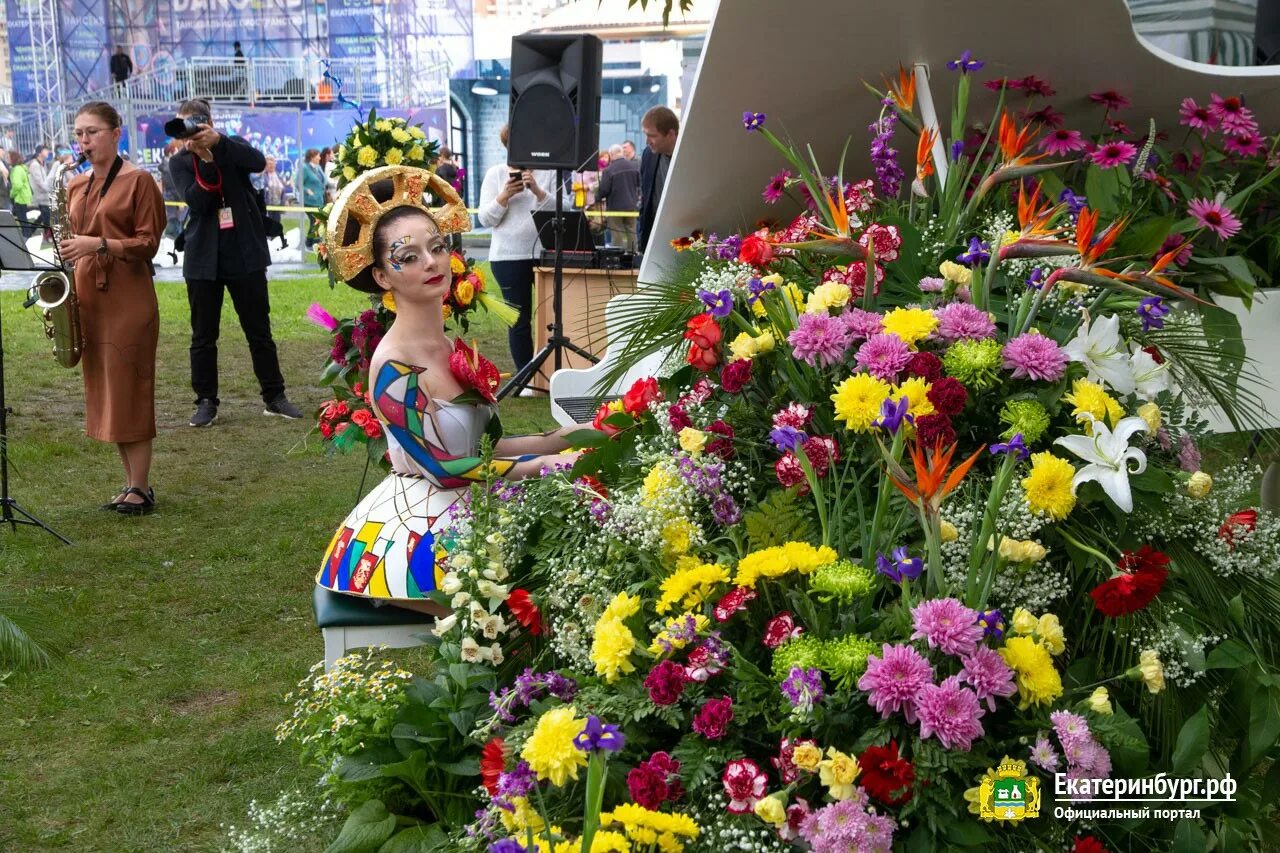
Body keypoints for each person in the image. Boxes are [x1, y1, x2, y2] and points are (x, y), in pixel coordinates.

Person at [318, 164, 582, 612]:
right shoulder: (393, 368)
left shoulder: (452, 347)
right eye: (409, 256)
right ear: (382, 277)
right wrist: (544, 463)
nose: (432, 262)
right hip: (422, 528)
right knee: (520, 614)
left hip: (473, 504)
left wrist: (570, 437)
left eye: (437, 247)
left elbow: (485, 449)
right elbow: (443, 469)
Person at [168, 98, 302, 427]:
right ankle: (205, 401)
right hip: (203, 257)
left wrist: (220, 146)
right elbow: (197, 203)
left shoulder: (232, 145)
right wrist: (205, 161)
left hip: (245, 252)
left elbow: (257, 162)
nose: (191, 131)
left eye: (196, 123)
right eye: (184, 124)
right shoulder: (180, 162)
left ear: (209, 122)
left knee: (259, 331)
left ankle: (274, 396)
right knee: (203, 335)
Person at [59, 102, 165, 514]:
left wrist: (98, 243)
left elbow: (148, 244)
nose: (84, 141)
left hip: (128, 299)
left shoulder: (139, 181)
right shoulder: (76, 185)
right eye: (79, 133)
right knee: (109, 391)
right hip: (90, 298)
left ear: (116, 133)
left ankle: (140, 487)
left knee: (129, 390)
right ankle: (131, 484)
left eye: (92, 132)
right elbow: (73, 238)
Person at [477, 125, 554, 376]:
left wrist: (538, 191)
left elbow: (561, 211)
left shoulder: (549, 172)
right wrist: (503, 197)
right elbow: (485, 219)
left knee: (553, 316)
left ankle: (553, 372)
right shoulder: (495, 174)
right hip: (507, 258)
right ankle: (526, 375)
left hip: (545, 255)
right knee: (519, 320)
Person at [637, 106, 679, 253]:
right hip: (655, 241)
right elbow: (645, 202)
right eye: (646, 135)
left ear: (670, 134)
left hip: (685, 238)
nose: (647, 141)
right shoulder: (648, 155)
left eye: (652, 136)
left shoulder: (690, 156)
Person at [596, 143, 640, 251]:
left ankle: (617, 258)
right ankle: (632, 256)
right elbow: (639, 184)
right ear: (621, 153)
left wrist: (597, 197)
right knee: (631, 231)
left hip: (615, 207)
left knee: (617, 233)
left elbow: (604, 190)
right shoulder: (634, 166)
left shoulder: (609, 170)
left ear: (611, 154)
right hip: (631, 205)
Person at [300, 148, 326, 247]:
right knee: (314, 221)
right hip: (309, 201)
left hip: (319, 200)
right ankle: (311, 242)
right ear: (312, 157)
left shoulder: (318, 168)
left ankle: (311, 241)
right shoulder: (305, 168)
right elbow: (299, 184)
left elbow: (324, 181)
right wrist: (307, 190)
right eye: (318, 156)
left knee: (316, 222)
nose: (320, 158)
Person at [28, 146, 53, 243]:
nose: (48, 152)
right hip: (39, 195)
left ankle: (30, 231)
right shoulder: (34, 164)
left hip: (44, 194)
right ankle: (47, 236)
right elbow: (39, 181)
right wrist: (48, 189)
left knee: (44, 215)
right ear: (39, 152)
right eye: (45, 150)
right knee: (46, 215)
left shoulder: (42, 164)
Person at [7, 151, 32, 237]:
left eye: (9, 157)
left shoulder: (16, 170)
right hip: (24, 196)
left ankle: (26, 236)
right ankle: (27, 235)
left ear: (13, 158)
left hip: (19, 198)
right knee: (24, 219)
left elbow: (17, 185)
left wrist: (11, 194)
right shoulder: (21, 168)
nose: (8, 159)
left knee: (22, 220)